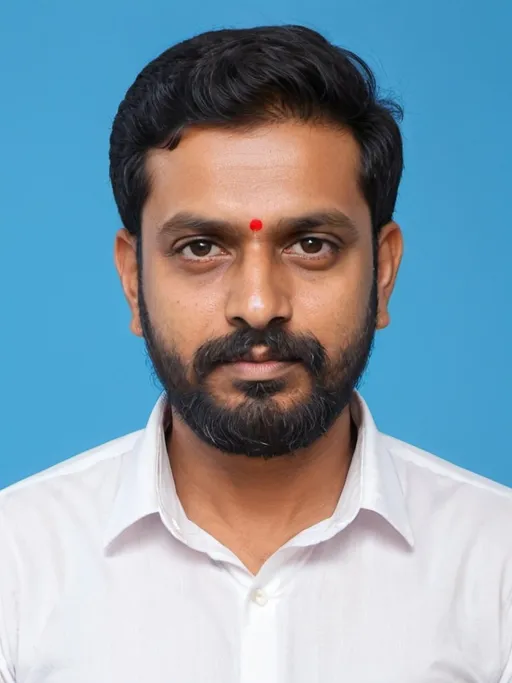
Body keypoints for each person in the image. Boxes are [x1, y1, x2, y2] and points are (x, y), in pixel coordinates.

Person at [0, 24, 511, 683]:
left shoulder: (496, 563)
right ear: (133, 280)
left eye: (312, 244)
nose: (260, 303)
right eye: (201, 249)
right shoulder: (15, 564)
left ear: (383, 272)